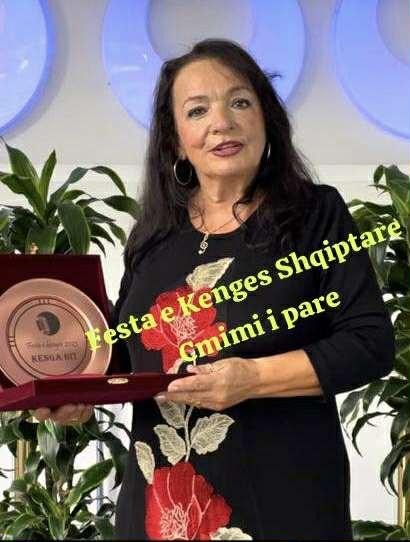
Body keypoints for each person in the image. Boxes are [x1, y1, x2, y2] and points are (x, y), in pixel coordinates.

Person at [35, 39, 395, 540]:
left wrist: (253, 378)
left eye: (239, 101)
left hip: (281, 505)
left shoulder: (315, 215)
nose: (221, 122)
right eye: (197, 110)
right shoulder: (154, 236)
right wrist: (73, 392)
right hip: (157, 507)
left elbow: (368, 345)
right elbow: (125, 355)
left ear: (266, 119)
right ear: (176, 139)